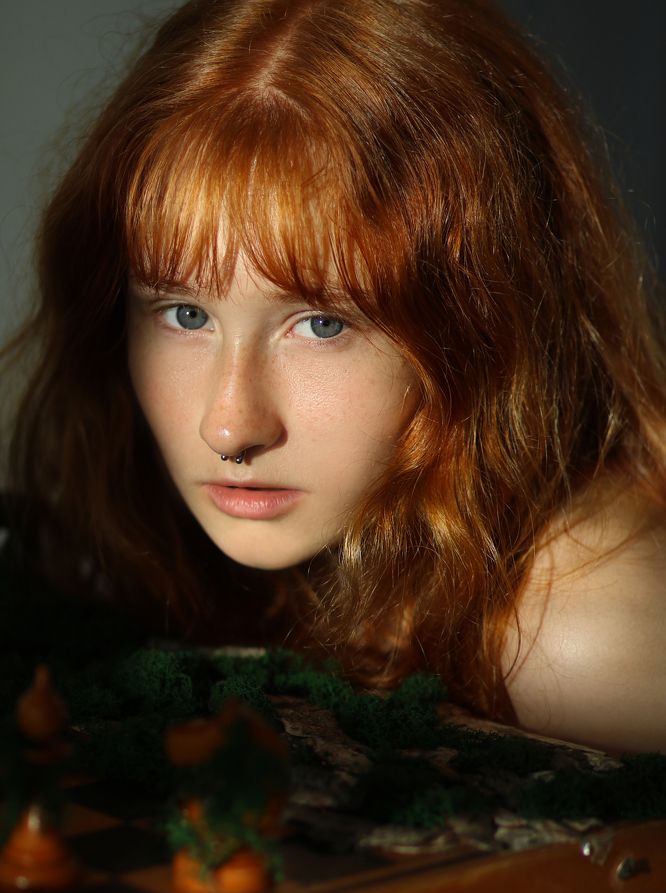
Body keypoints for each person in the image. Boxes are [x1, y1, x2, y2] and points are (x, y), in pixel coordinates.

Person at [3, 0, 666, 756]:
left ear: (483, 325)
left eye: (323, 325)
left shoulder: (584, 640)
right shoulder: (139, 549)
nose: (229, 426)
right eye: (186, 315)